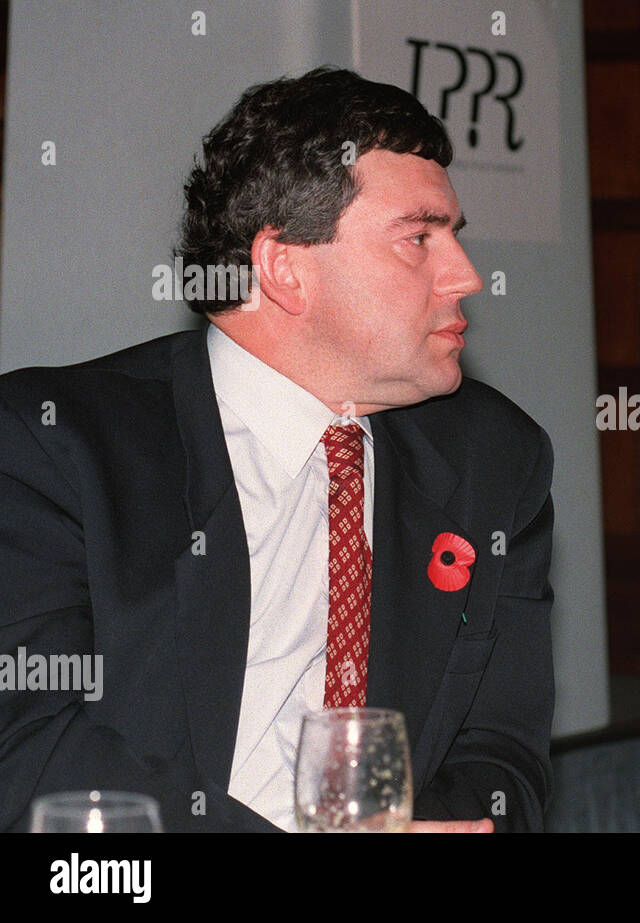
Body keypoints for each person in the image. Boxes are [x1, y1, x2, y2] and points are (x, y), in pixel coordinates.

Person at [0, 68, 554, 832]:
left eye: (455, 237)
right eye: (419, 238)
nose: (464, 276)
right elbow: (28, 753)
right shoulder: (53, 445)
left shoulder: (494, 460)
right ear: (285, 268)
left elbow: (503, 755)